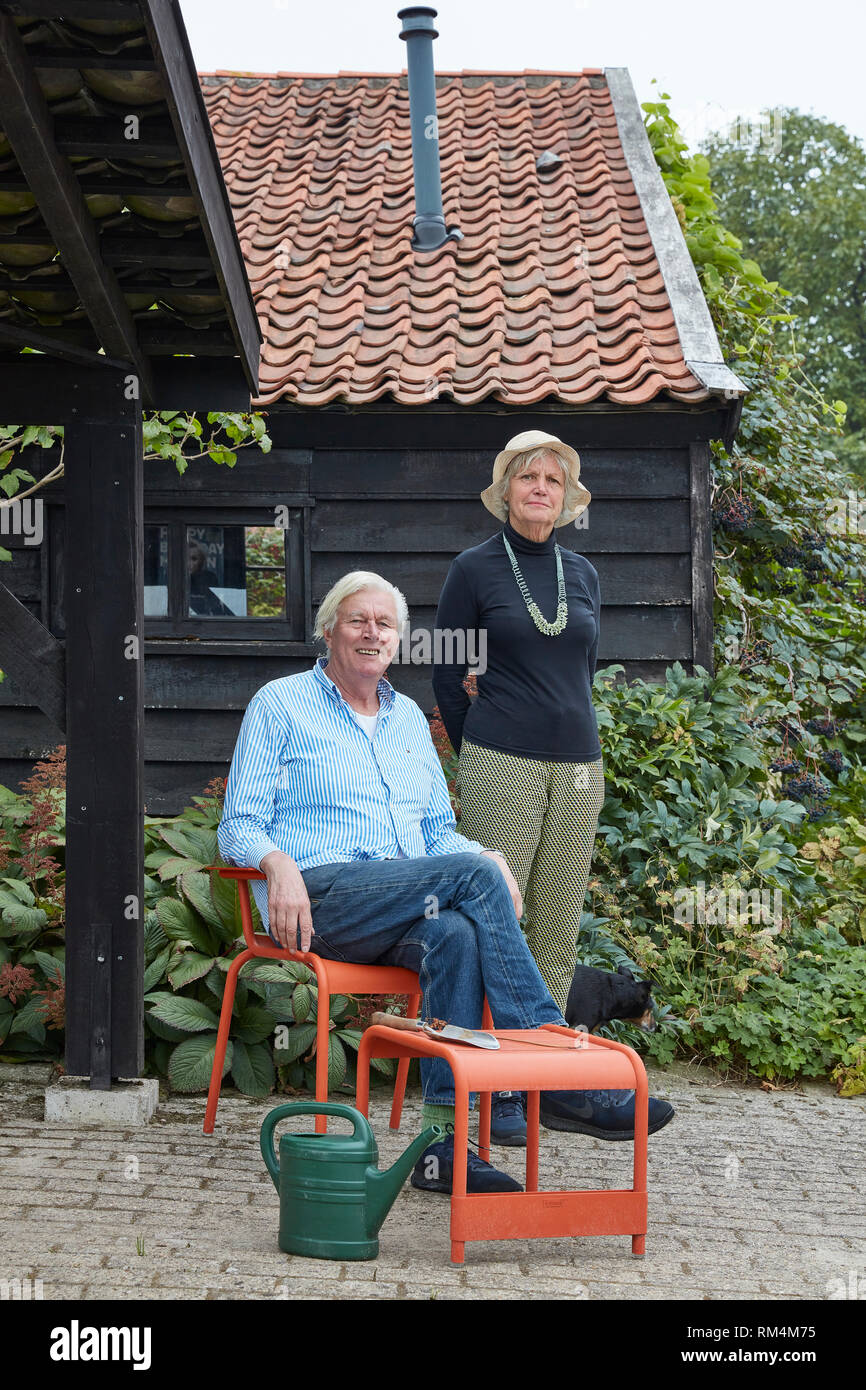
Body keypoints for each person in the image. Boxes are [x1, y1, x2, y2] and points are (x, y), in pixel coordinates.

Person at [218, 570, 674, 1195]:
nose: (371, 633)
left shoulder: (407, 719)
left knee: (457, 932)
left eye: (385, 624)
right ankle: (552, 1071)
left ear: (399, 641)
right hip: (321, 899)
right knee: (472, 875)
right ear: (329, 630)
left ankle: (443, 1151)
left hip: (401, 906)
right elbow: (239, 821)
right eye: (358, 620)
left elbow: (436, 831)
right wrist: (277, 865)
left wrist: (491, 861)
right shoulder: (280, 703)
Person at [432, 430, 653, 1148]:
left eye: (552, 481)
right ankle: (491, 1090)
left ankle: (543, 1083)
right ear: (505, 491)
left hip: (579, 764)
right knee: (500, 919)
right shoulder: (472, 569)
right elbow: (446, 673)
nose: (539, 489)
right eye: (527, 477)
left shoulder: (582, 573)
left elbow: (582, 669)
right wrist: (481, 747)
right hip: (501, 759)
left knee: (557, 928)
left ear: (566, 498)